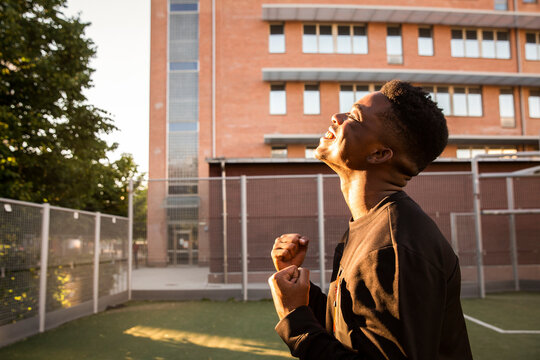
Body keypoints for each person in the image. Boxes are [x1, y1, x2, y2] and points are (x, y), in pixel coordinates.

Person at [268, 80, 473, 359]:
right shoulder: (371, 225)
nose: (336, 118)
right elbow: (349, 330)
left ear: (379, 154)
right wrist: (300, 292)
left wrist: (294, 316)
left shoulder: (392, 247)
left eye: (353, 117)